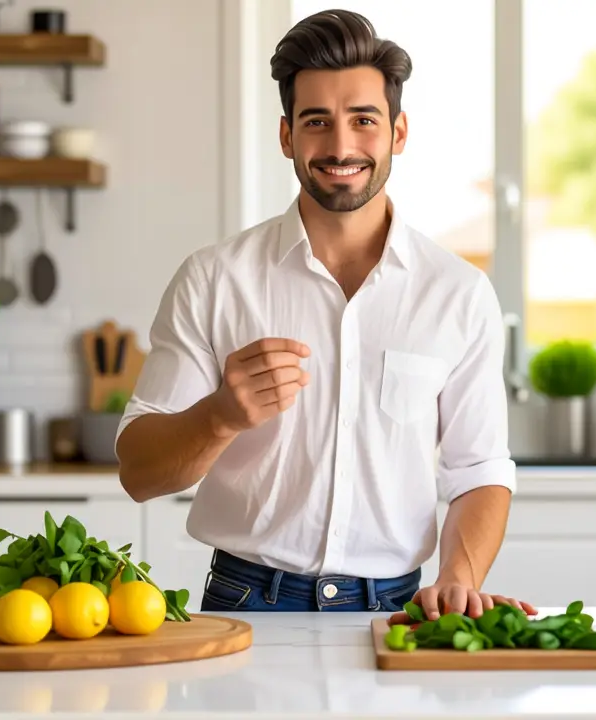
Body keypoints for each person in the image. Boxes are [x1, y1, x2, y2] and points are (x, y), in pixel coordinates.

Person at [115, 8, 536, 623]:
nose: (341, 146)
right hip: (245, 605)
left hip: (396, 611)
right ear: (287, 137)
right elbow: (138, 472)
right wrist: (220, 416)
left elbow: (478, 469)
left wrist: (458, 578)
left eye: (363, 120)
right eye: (317, 122)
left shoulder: (458, 293)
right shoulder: (214, 278)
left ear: (398, 131)